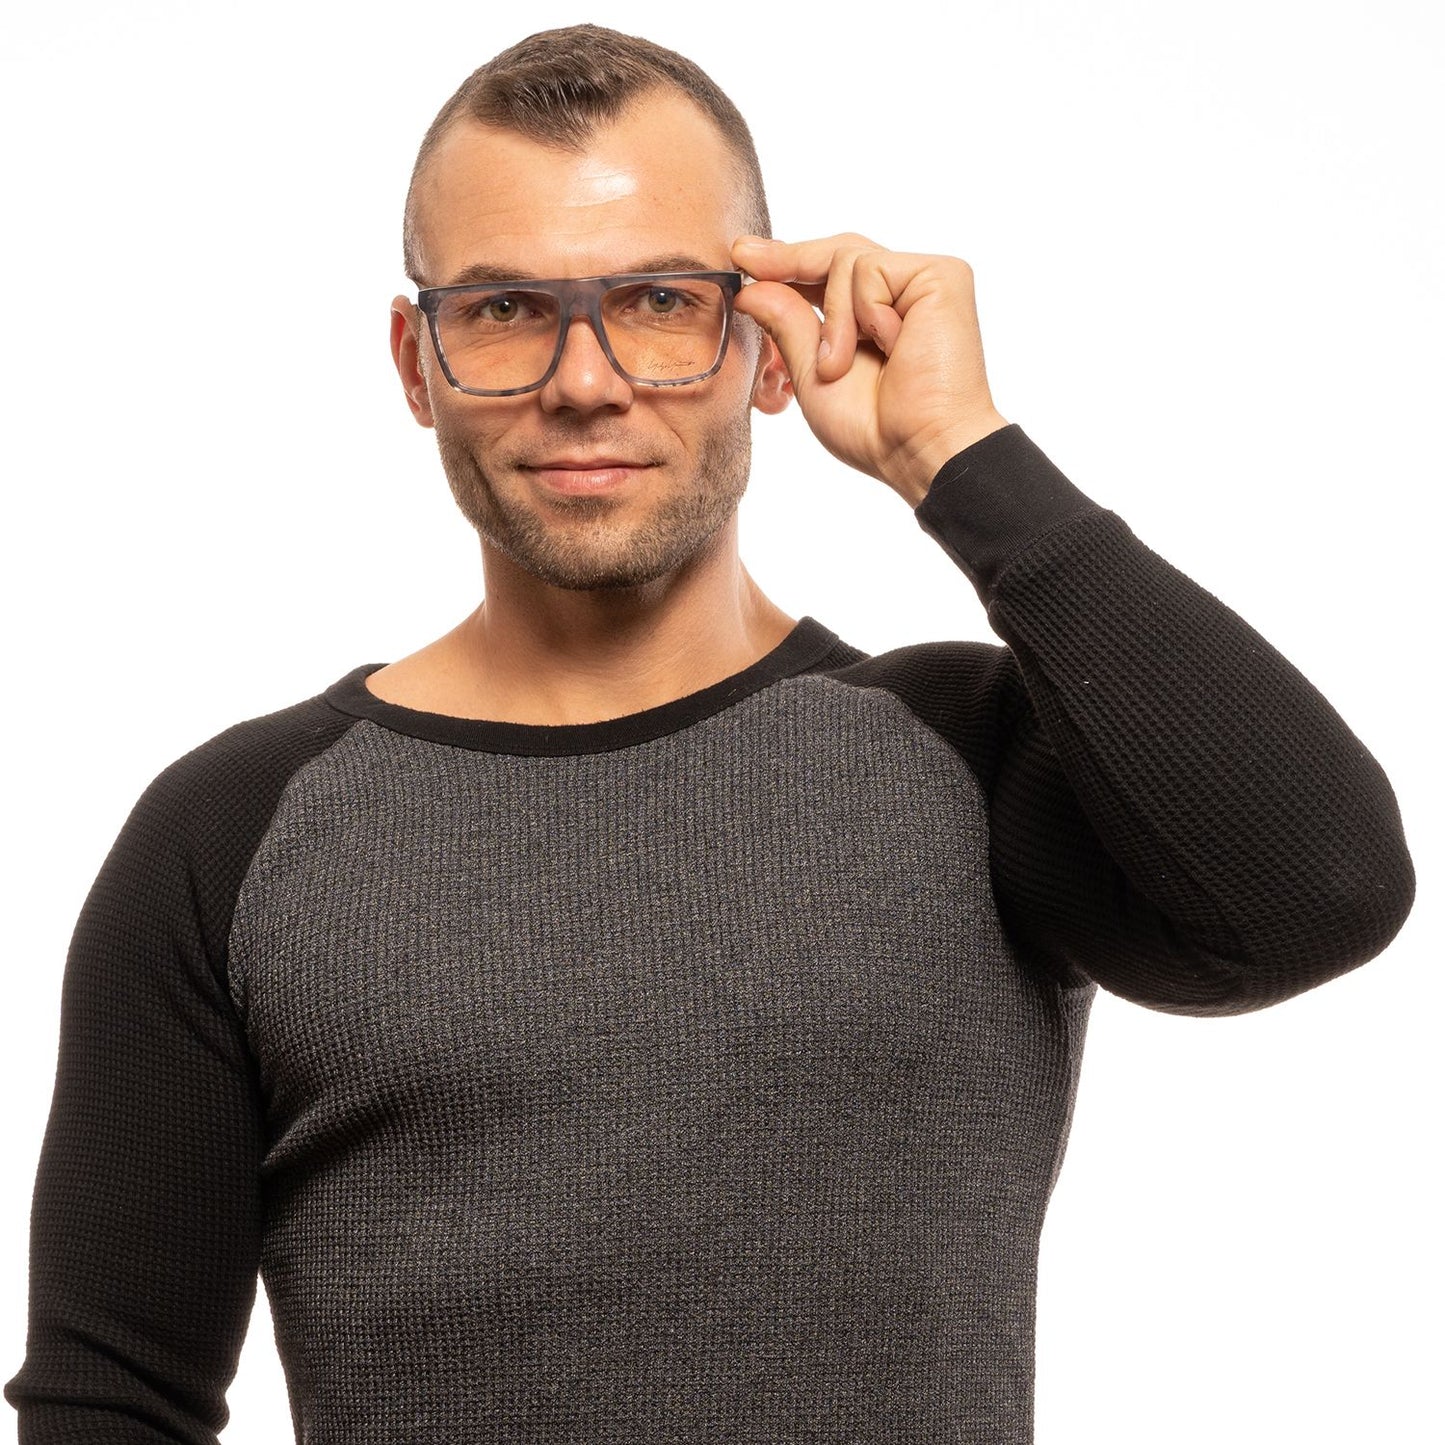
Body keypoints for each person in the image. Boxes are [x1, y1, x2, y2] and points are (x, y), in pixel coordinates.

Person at [2, 21, 1415, 1445]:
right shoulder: (232, 833)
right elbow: (109, 1397)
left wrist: (958, 456)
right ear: (416, 361)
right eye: (504, 308)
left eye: (661, 300)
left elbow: (1321, 892)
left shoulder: (971, 759)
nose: (584, 380)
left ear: (767, 346)